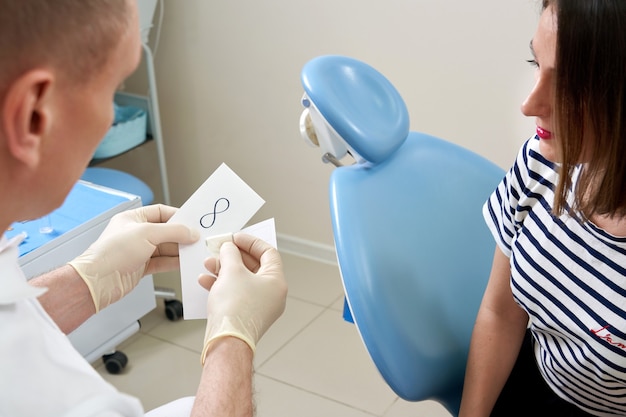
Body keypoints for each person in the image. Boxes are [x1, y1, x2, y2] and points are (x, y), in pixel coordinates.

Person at [0, 1, 287, 416]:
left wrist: (87, 279)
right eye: (113, 90)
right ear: (33, 116)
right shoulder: (69, 402)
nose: (109, 119)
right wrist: (233, 338)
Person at [459, 0, 626, 416]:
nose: (530, 105)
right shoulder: (541, 160)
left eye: (573, 86)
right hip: (532, 378)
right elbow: (500, 314)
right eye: (536, 62)